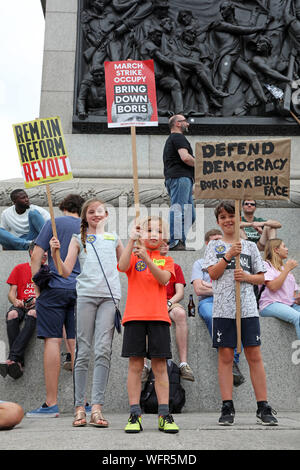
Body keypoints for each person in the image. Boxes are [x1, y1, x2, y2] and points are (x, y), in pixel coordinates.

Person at [202, 201, 278, 426]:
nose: (227, 220)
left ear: (238, 219)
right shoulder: (213, 247)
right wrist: (227, 256)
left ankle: (262, 405)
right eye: (223, 217)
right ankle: (227, 405)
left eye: (231, 216)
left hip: (247, 309)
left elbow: (262, 277)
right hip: (223, 310)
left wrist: (245, 276)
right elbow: (213, 275)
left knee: (254, 355)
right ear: (218, 221)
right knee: (225, 356)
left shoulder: (251, 247)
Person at [49, 198, 124, 428]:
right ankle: (79, 407)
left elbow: (125, 265)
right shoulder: (76, 239)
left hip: (110, 297)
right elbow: (65, 271)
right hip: (86, 296)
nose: (96, 215)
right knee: (82, 351)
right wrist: (55, 254)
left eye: (100, 211)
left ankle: (97, 408)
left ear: (107, 215)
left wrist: (138, 242)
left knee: (103, 350)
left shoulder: (114, 238)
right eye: (91, 212)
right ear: (85, 217)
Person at [118, 215, 180, 433]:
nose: (154, 234)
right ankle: (135, 414)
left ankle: (164, 414)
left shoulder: (167, 260)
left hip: (159, 317)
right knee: (135, 366)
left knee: (160, 366)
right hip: (134, 316)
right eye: (149, 230)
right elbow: (122, 265)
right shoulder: (134, 255)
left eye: (159, 231)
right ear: (141, 234)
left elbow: (164, 279)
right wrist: (131, 242)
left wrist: (149, 258)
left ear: (165, 238)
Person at [26, 194, 85, 418]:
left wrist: (37, 283)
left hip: (54, 287)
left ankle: (51, 403)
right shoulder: (84, 226)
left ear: (63, 207)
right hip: (80, 288)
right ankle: (84, 402)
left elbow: (37, 255)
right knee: (76, 342)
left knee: (52, 340)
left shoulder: (53, 223)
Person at [191, 229, 245, 387]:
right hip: (207, 302)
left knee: (239, 318)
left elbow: (236, 288)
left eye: (220, 240)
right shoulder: (199, 263)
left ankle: (233, 363)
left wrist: (210, 285)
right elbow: (199, 289)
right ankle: (232, 363)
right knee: (212, 315)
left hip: (228, 301)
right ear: (207, 243)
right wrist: (220, 288)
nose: (218, 243)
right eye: (214, 240)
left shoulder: (231, 261)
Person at [142, 242, 195, 383]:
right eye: (161, 243)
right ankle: (144, 366)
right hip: (150, 302)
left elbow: (180, 293)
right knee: (143, 317)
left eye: (167, 243)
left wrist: (169, 303)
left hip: (169, 302)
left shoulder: (175, 266)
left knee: (181, 314)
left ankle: (184, 364)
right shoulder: (147, 264)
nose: (165, 245)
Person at [0, 242, 47, 380]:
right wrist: (15, 301)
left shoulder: (47, 270)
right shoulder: (19, 268)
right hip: (20, 304)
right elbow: (11, 293)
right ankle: (17, 362)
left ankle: (13, 358)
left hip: (38, 305)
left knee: (33, 313)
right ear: (32, 252)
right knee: (12, 314)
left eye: (46, 251)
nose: (45, 254)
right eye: (42, 251)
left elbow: (50, 294)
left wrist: (37, 300)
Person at [163, 114, 195, 251]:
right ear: (177, 124)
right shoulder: (178, 137)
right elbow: (186, 158)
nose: (187, 124)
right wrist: (204, 165)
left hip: (182, 178)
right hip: (180, 178)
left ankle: (179, 240)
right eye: (185, 122)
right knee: (179, 210)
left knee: (190, 214)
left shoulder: (173, 139)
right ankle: (174, 241)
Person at [259, 239, 300, 339]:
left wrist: (297, 298)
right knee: (298, 318)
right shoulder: (265, 265)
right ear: (276, 249)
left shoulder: (284, 269)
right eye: (284, 246)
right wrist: (286, 269)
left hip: (290, 304)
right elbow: (273, 287)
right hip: (270, 304)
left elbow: (293, 294)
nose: (287, 249)